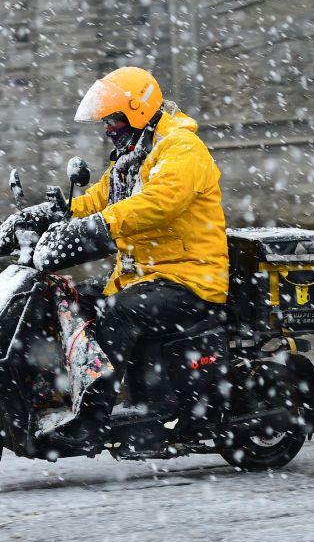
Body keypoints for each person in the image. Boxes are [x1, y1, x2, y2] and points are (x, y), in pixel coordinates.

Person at [42, 66, 230, 451]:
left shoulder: (180, 148)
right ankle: (61, 396)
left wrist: (97, 227)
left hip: (190, 278)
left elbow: (159, 204)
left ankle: (93, 421)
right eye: (107, 120)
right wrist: (57, 214)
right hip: (145, 276)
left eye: (113, 118)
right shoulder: (134, 153)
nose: (108, 127)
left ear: (137, 110)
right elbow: (100, 199)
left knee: (118, 312)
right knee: (75, 303)